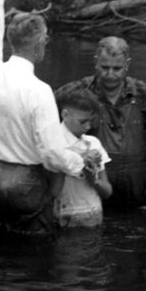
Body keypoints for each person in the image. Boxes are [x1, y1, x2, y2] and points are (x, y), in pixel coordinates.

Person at [0, 0, 89, 237]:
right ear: (40, 44)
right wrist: (80, 162)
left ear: (11, 41)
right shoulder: (39, 91)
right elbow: (51, 152)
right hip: (23, 184)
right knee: (32, 256)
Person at [55, 36, 146, 207]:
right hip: (87, 186)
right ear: (96, 62)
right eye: (105, 67)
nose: (110, 74)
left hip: (135, 186)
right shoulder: (72, 93)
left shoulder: (145, 94)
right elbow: (48, 130)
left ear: (127, 64)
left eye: (117, 68)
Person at [52, 89, 113, 228]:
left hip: (93, 214)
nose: (88, 126)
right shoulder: (53, 144)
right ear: (65, 114)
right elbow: (52, 191)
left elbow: (108, 191)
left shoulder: (94, 143)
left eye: (91, 121)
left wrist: (93, 180)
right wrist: (79, 160)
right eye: (83, 121)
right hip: (63, 216)